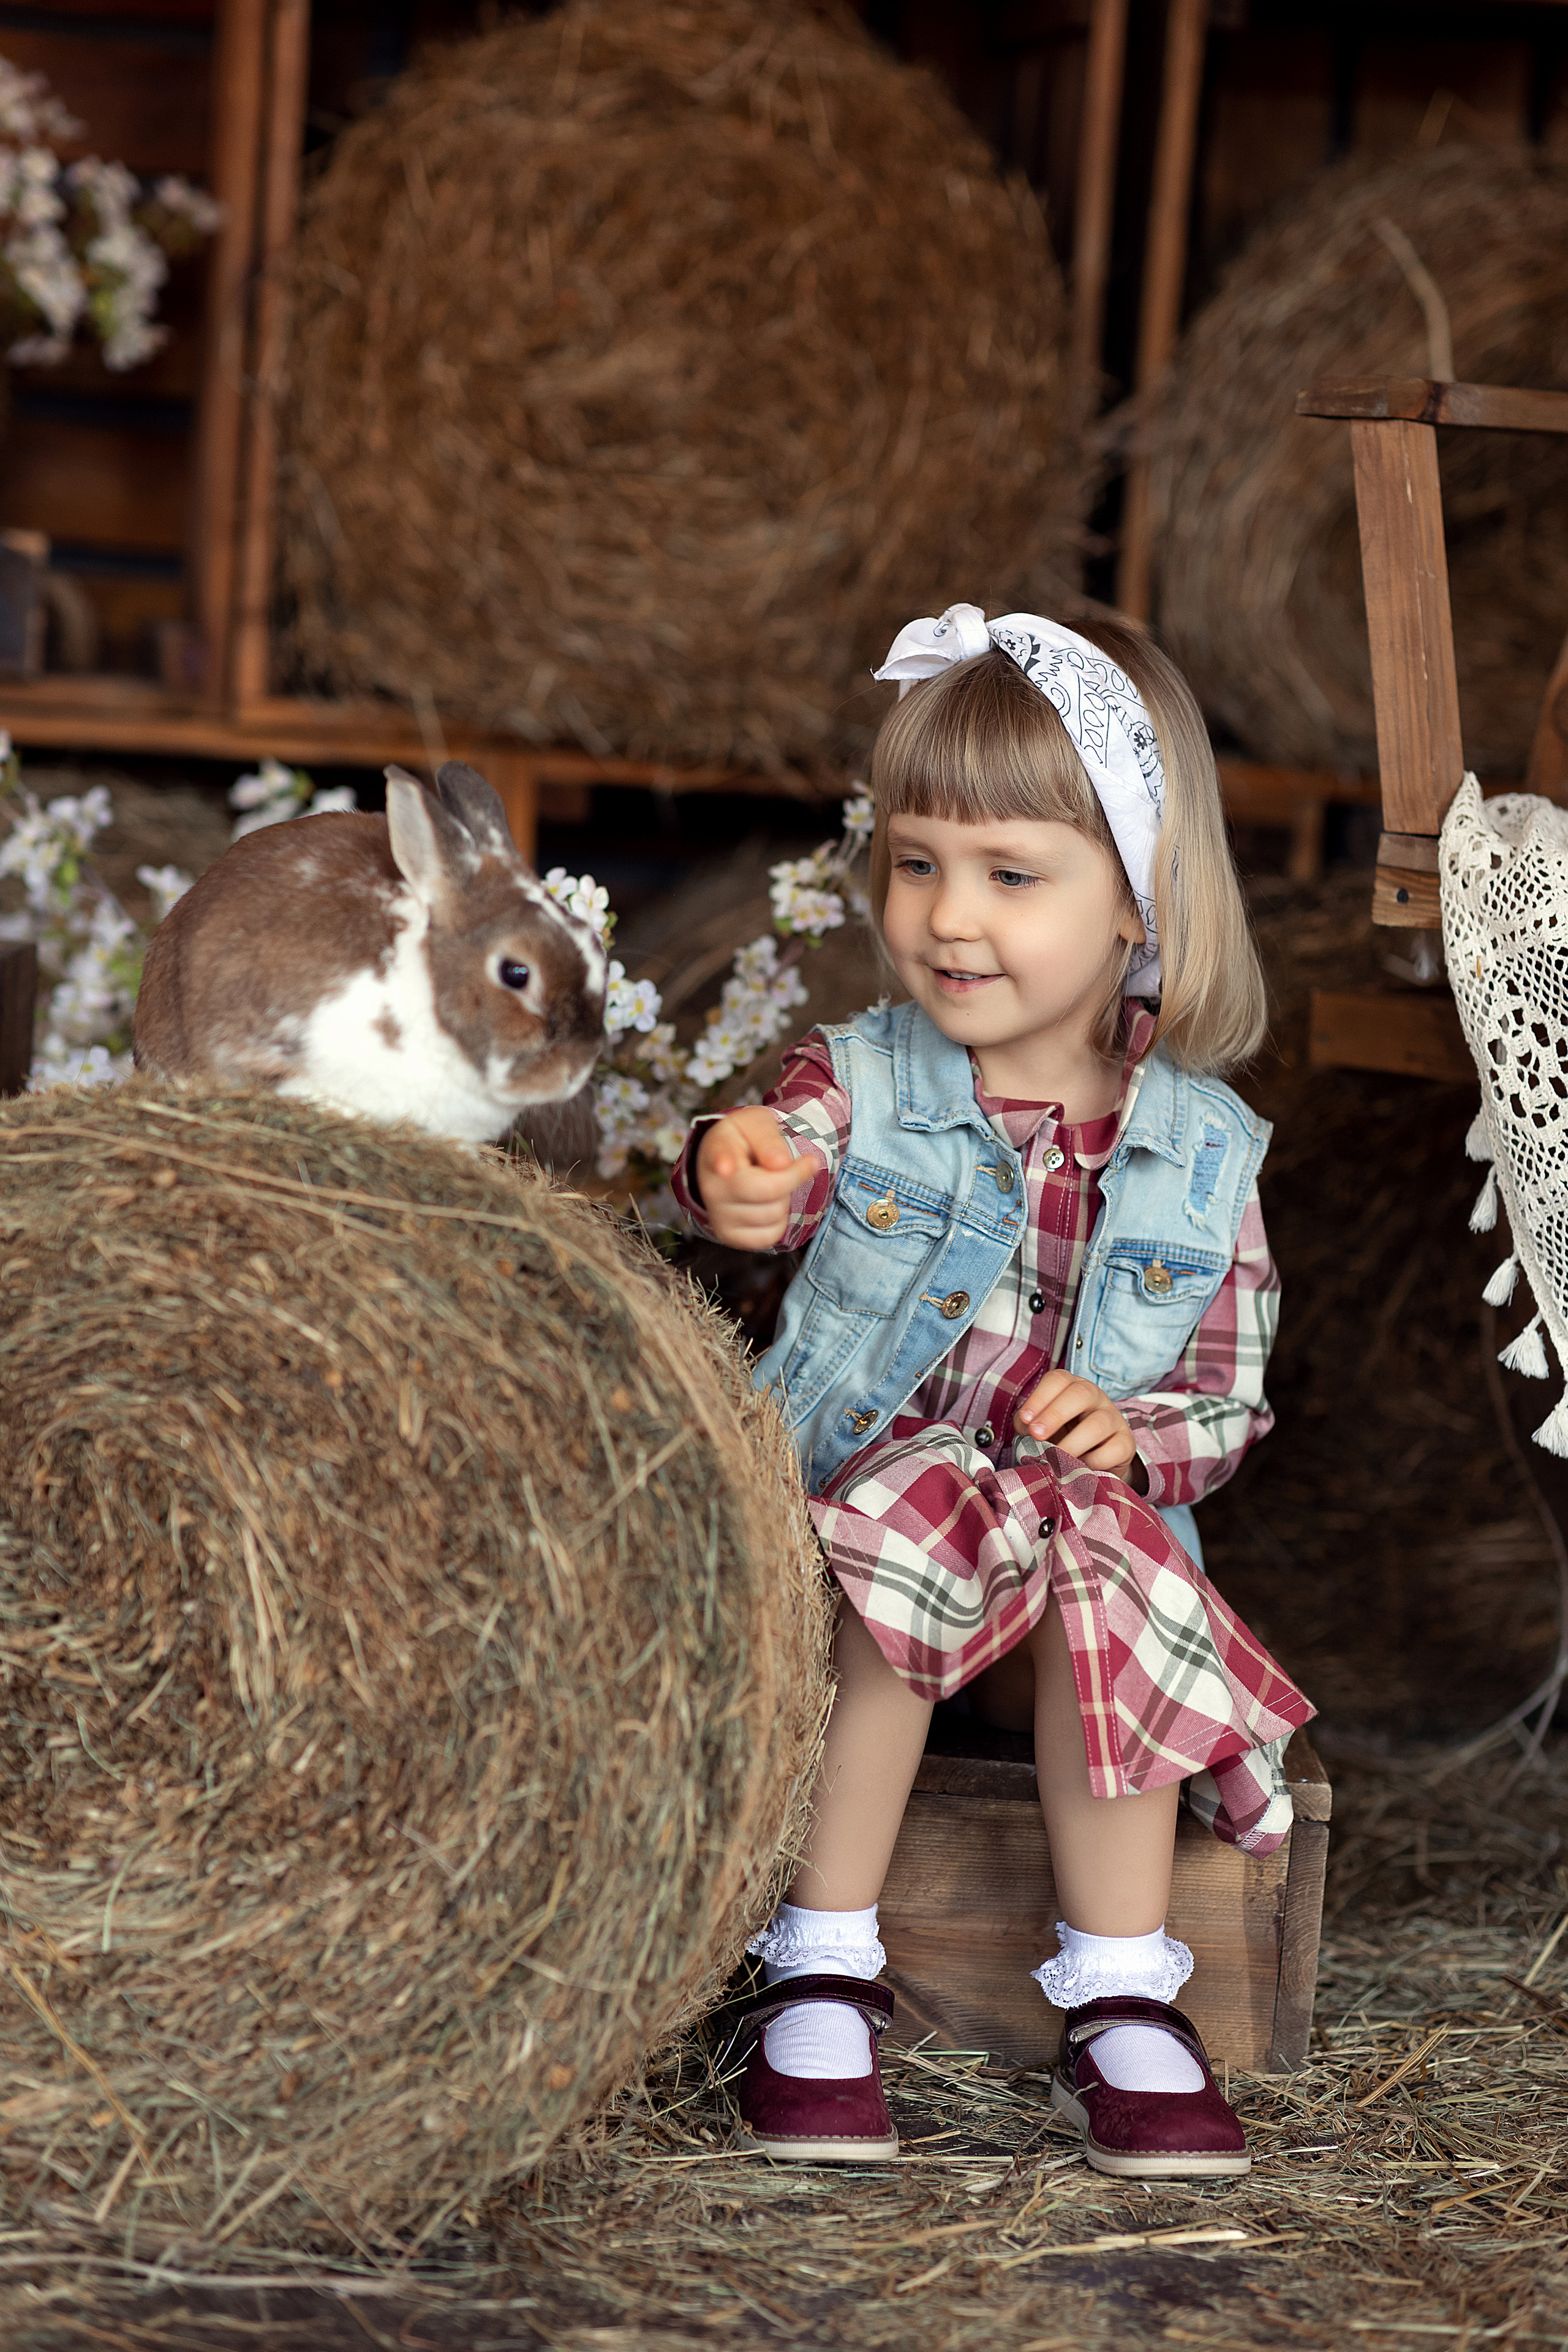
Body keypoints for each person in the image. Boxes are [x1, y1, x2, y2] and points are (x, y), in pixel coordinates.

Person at [673, 603, 1313, 2178]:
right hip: (842, 1573)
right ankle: (817, 1962)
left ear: (1137, 902)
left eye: (1009, 874)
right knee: (918, 1511)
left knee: (1099, 1550)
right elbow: (782, 1156)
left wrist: (1142, 1435)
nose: (946, 917)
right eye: (913, 862)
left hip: (1044, 1625)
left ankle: (1122, 1996)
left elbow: (1228, 1397)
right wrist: (728, 1166)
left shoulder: (1206, 1149)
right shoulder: (865, 1077)